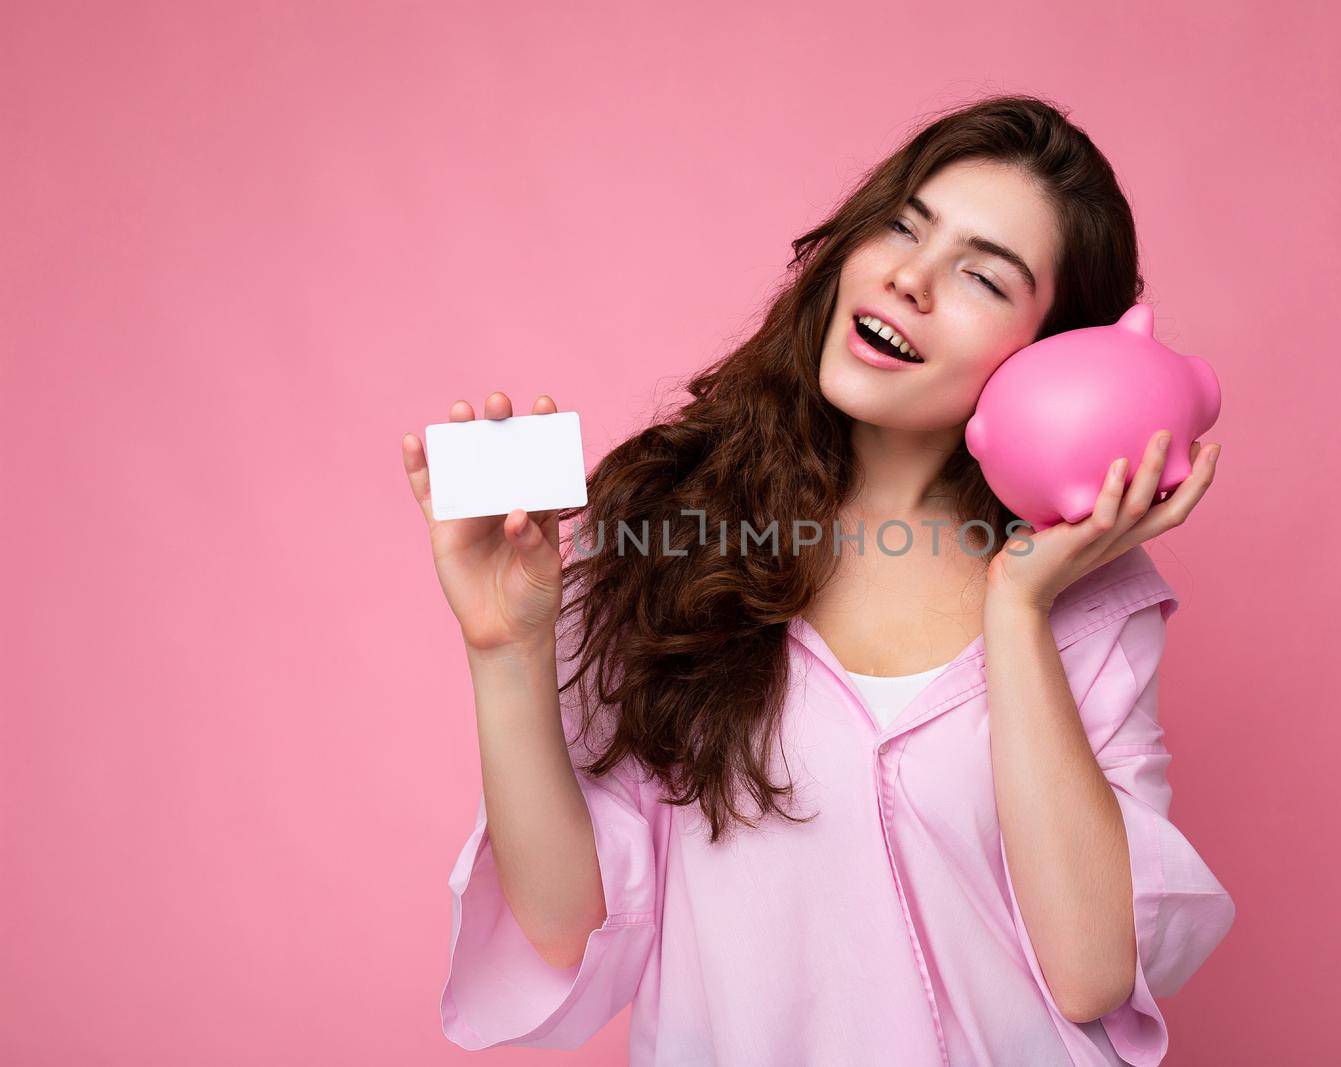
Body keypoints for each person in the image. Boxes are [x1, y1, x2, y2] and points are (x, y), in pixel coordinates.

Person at [400, 94, 1234, 1066]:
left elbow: (1091, 971)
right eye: (902, 227)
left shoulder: (1093, 600)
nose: (911, 279)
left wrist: (1017, 608)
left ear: (1054, 356)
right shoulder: (678, 526)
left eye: (980, 276)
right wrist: (505, 647)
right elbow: (564, 922)